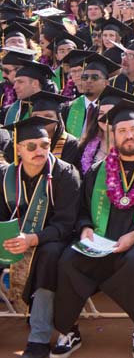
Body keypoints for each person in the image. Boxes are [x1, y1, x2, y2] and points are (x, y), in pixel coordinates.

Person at [52, 98, 134, 358]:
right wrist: (86, 228)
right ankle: (69, 329)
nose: (129, 135)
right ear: (113, 134)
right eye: (122, 130)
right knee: (68, 260)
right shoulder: (98, 170)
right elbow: (84, 210)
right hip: (101, 237)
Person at [0, 117, 81, 358]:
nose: (39, 151)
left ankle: (39, 338)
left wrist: (33, 239)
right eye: (31, 146)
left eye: (44, 145)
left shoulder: (65, 174)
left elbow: (67, 224)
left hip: (54, 240)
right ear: (18, 149)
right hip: (16, 239)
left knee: (49, 257)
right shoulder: (5, 176)